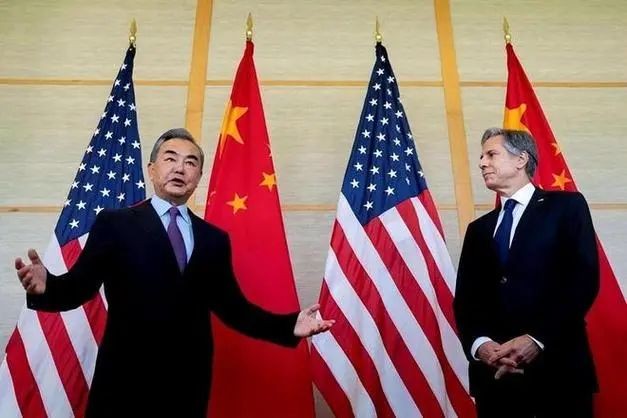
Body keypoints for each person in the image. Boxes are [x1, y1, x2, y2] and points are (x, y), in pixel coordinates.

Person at [15, 128, 334, 418]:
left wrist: (289, 325)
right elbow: (80, 286)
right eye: (170, 159)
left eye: (190, 162)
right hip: (124, 382)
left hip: (187, 385)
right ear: (152, 169)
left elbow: (235, 309)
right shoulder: (115, 223)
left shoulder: (213, 239)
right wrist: (47, 286)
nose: (180, 168)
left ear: (199, 177)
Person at [453, 128, 599, 418]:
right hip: (495, 381)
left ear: (521, 159)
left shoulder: (566, 207)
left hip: (558, 374)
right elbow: (466, 301)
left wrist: (536, 338)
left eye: (491, 154)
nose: (482, 163)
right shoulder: (478, 229)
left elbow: (583, 280)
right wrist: (481, 346)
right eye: (481, 157)